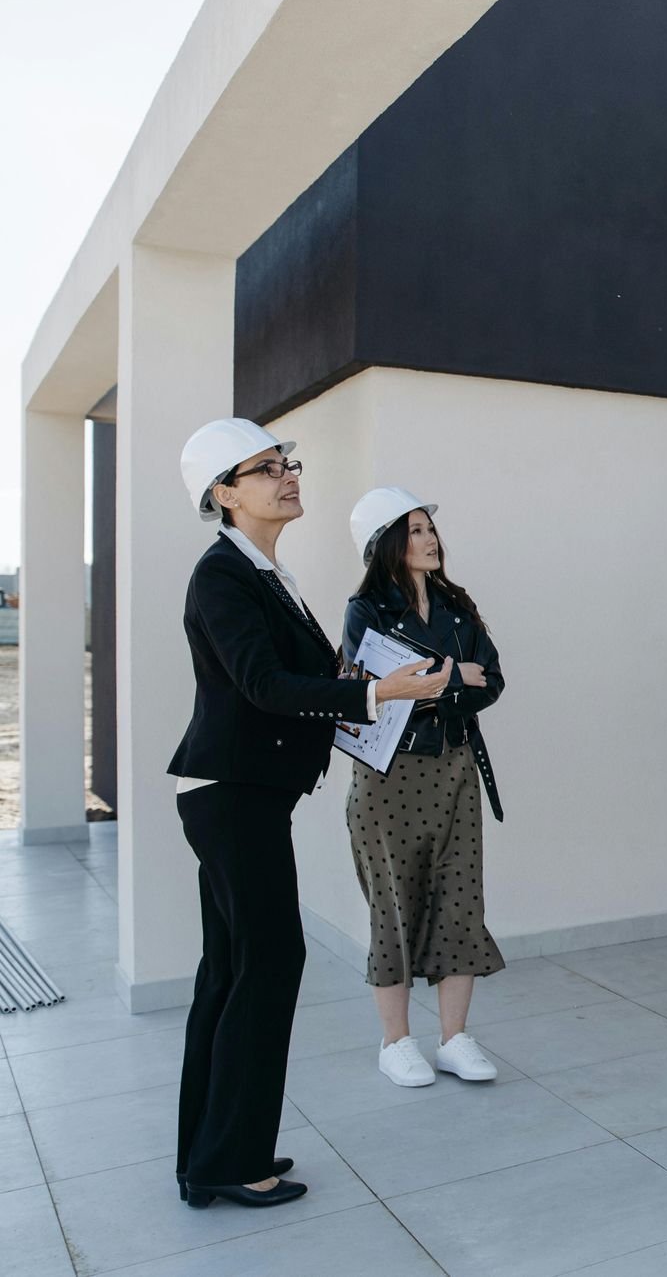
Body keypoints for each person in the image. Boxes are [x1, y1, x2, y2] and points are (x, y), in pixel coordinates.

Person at [170, 419, 448, 1208]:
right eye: (266, 469)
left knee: (230, 973)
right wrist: (374, 693)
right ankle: (231, 1158)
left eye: (288, 464)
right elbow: (262, 685)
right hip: (231, 796)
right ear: (224, 493)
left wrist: (371, 683)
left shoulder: (265, 573)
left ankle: (213, 1155)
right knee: (267, 964)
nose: (288, 476)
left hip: (246, 796)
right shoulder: (223, 574)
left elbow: (310, 676)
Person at [340, 488, 508, 1087]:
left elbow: (492, 680)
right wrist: (452, 679)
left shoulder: (457, 606)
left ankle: (454, 1038)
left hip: (456, 768)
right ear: (386, 543)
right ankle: (396, 1042)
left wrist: (437, 686)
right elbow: (372, 691)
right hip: (390, 778)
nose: (430, 539)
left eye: (429, 528)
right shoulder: (366, 611)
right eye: (414, 530)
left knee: (460, 902)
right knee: (395, 906)